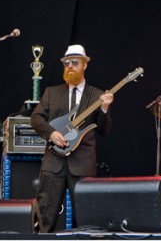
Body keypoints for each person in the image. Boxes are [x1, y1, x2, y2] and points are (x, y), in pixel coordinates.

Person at [31, 44, 113, 232]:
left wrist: (105, 109)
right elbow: (35, 118)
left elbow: (103, 130)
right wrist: (51, 133)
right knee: (45, 219)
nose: (69, 66)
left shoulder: (97, 95)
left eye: (74, 62)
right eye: (66, 63)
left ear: (84, 65)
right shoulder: (52, 92)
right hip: (54, 163)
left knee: (86, 221)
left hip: (83, 164)